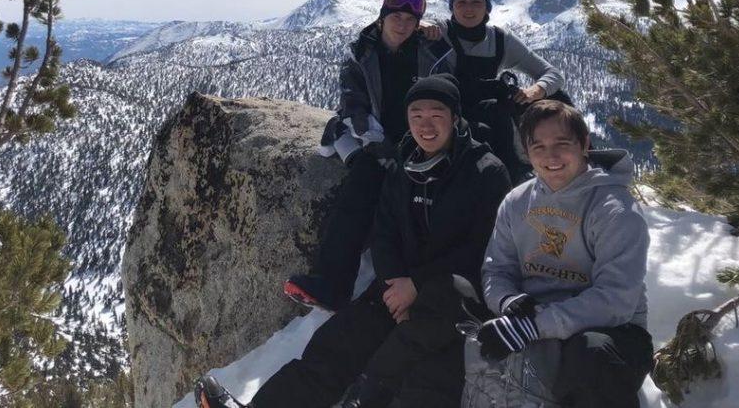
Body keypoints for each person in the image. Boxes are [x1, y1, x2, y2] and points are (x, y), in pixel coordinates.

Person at [196, 75, 511, 408]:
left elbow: (484, 249)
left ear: (455, 117)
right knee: (334, 345)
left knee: (392, 376)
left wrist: (417, 287)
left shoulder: (485, 172)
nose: (426, 124)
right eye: (416, 115)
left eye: (436, 114)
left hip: (454, 298)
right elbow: (384, 231)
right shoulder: (406, 164)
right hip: (395, 288)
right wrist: (396, 288)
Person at [477, 100, 652, 408]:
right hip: (532, 318)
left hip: (610, 331)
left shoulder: (615, 209)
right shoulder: (516, 202)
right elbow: (497, 269)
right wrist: (507, 301)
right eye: (539, 147)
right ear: (526, 151)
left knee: (590, 356)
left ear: (584, 144)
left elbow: (616, 300)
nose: (551, 157)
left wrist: (534, 326)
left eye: (562, 143)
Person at [286, 0, 444, 312]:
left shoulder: (430, 51)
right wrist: (377, 144)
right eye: (395, 16)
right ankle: (332, 284)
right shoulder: (361, 54)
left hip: (423, 138)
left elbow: (449, 84)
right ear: (383, 17)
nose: (402, 24)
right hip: (379, 138)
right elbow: (354, 105)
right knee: (359, 190)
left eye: (410, 19)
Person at [431, 0, 565, 183]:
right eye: (461, 2)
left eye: (476, 1)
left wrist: (535, 91)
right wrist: (420, 26)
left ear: (487, 6)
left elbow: (553, 74)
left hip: (491, 112)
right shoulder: (439, 32)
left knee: (559, 98)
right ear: (451, 7)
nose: (469, 8)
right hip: (449, 115)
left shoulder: (501, 40)